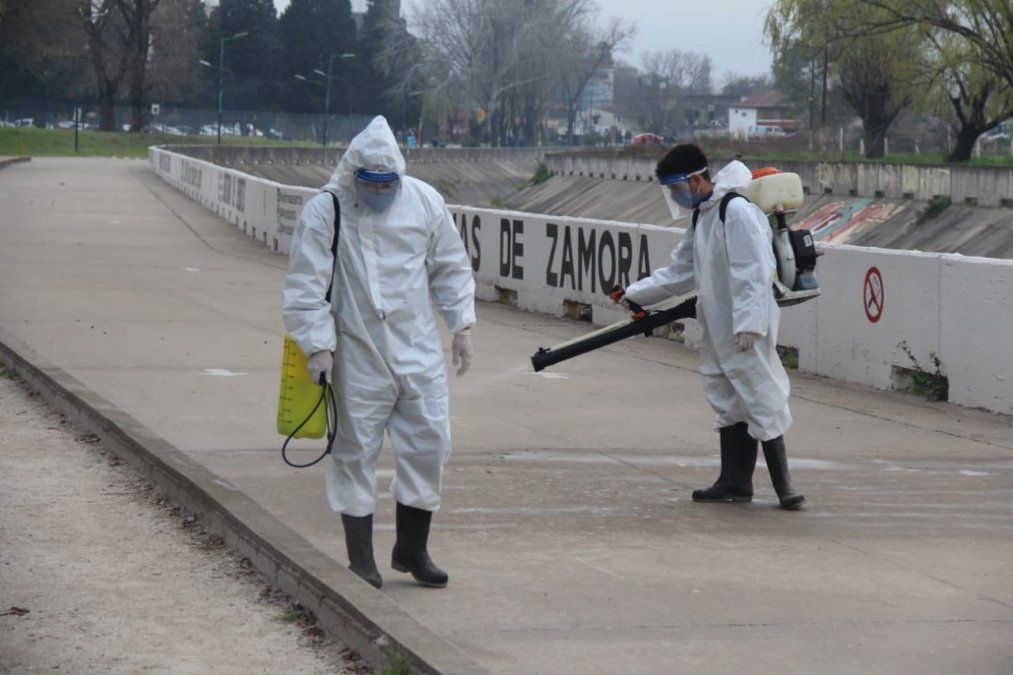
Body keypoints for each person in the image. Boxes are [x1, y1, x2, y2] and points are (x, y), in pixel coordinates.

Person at [283, 116, 476, 589]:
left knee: (430, 443)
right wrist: (317, 346)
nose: (380, 191)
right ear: (354, 175)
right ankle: (361, 560)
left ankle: (412, 549)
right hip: (356, 351)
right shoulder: (327, 210)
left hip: (417, 347)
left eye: (388, 184)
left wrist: (461, 325)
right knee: (354, 451)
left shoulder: (424, 201)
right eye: (371, 183)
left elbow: (450, 265)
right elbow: (306, 285)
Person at [612, 143, 805, 510]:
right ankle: (734, 481)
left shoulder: (736, 211)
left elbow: (754, 271)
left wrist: (750, 324)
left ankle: (785, 487)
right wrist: (635, 294)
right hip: (718, 324)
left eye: (676, 188)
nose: (675, 196)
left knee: (760, 394)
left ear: (695, 180)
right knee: (726, 396)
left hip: (745, 325)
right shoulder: (702, 217)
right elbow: (681, 271)